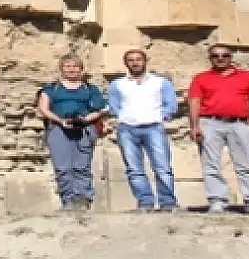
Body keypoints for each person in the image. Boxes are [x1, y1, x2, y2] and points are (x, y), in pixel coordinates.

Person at [187, 43, 249, 215]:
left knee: (246, 164)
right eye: (216, 56)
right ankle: (217, 201)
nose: (220, 59)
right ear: (210, 59)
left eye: (224, 55)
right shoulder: (201, 78)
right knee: (210, 164)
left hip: (239, 123)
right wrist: (194, 126)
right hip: (210, 123)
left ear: (231, 58)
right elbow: (194, 101)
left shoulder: (246, 76)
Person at [107, 49, 179, 211]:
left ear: (145, 61)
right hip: (127, 129)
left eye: (138, 59)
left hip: (153, 128)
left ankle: (167, 202)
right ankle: (145, 202)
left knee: (163, 167)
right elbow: (113, 106)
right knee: (134, 169)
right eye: (131, 60)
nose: (135, 63)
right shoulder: (117, 84)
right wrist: (125, 117)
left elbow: (171, 104)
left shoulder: (160, 82)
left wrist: (161, 116)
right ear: (126, 63)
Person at [36, 53, 108, 211]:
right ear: (61, 69)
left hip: (84, 129)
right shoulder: (51, 88)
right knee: (62, 168)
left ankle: (83, 200)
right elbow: (43, 108)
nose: (72, 69)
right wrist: (60, 120)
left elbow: (101, 108)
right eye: (68, 66)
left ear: (81, 69)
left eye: (75, 66)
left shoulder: (90, 88)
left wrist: (85, 119)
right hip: (57, 129)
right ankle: (68, 201)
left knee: (82, 166)